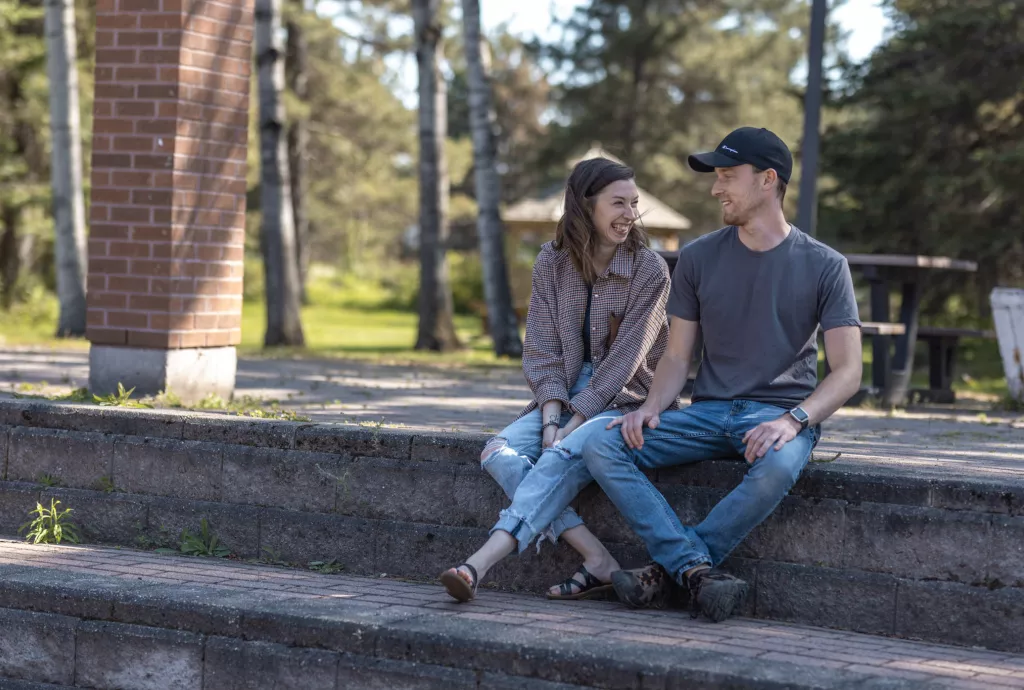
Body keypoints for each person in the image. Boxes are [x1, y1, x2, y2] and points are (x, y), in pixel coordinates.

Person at [579, 126, 864, 622]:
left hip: (779, 416)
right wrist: (650, 409)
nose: (716, 188)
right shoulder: (698, 256)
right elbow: (676, 357)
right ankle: (693, 570)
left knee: (777, 463)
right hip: (707, 414)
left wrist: (794, 421)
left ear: (768, 180)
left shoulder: (825, 265)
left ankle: (668, 572)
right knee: (602, 443)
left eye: (728, 176)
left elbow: (848, 371)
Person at [438, 156, 677, 602]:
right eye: (617, 203)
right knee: (497, 453)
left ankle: (479, 563)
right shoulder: (551, 261)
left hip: (623, 397)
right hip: (561, 393)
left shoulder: (650, 271)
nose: (629, 214)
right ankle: (598, 559)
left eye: (634, 204)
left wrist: (567, 429)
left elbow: (625, 362)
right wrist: (552, 418)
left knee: (558, 456)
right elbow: (542, 349)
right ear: (585, 205)